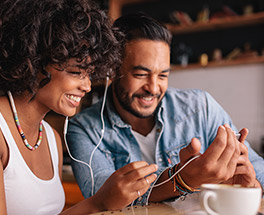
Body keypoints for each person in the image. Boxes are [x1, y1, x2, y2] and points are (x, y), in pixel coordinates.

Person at [66, 13, 264, 205]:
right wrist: (182, 178)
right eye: (141, 75)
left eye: (163, 75)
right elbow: (103, 196)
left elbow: (262, 174)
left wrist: (251, 187)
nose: (153, 88)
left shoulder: (201, 107)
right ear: (111, 69)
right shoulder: (84, 128)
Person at [0, 2, 158, 214]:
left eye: (90, 74)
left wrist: (102, 201)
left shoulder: (51, 138)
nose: (87, 86)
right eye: (76, 72)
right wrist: (98, 203)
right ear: (34, 62)